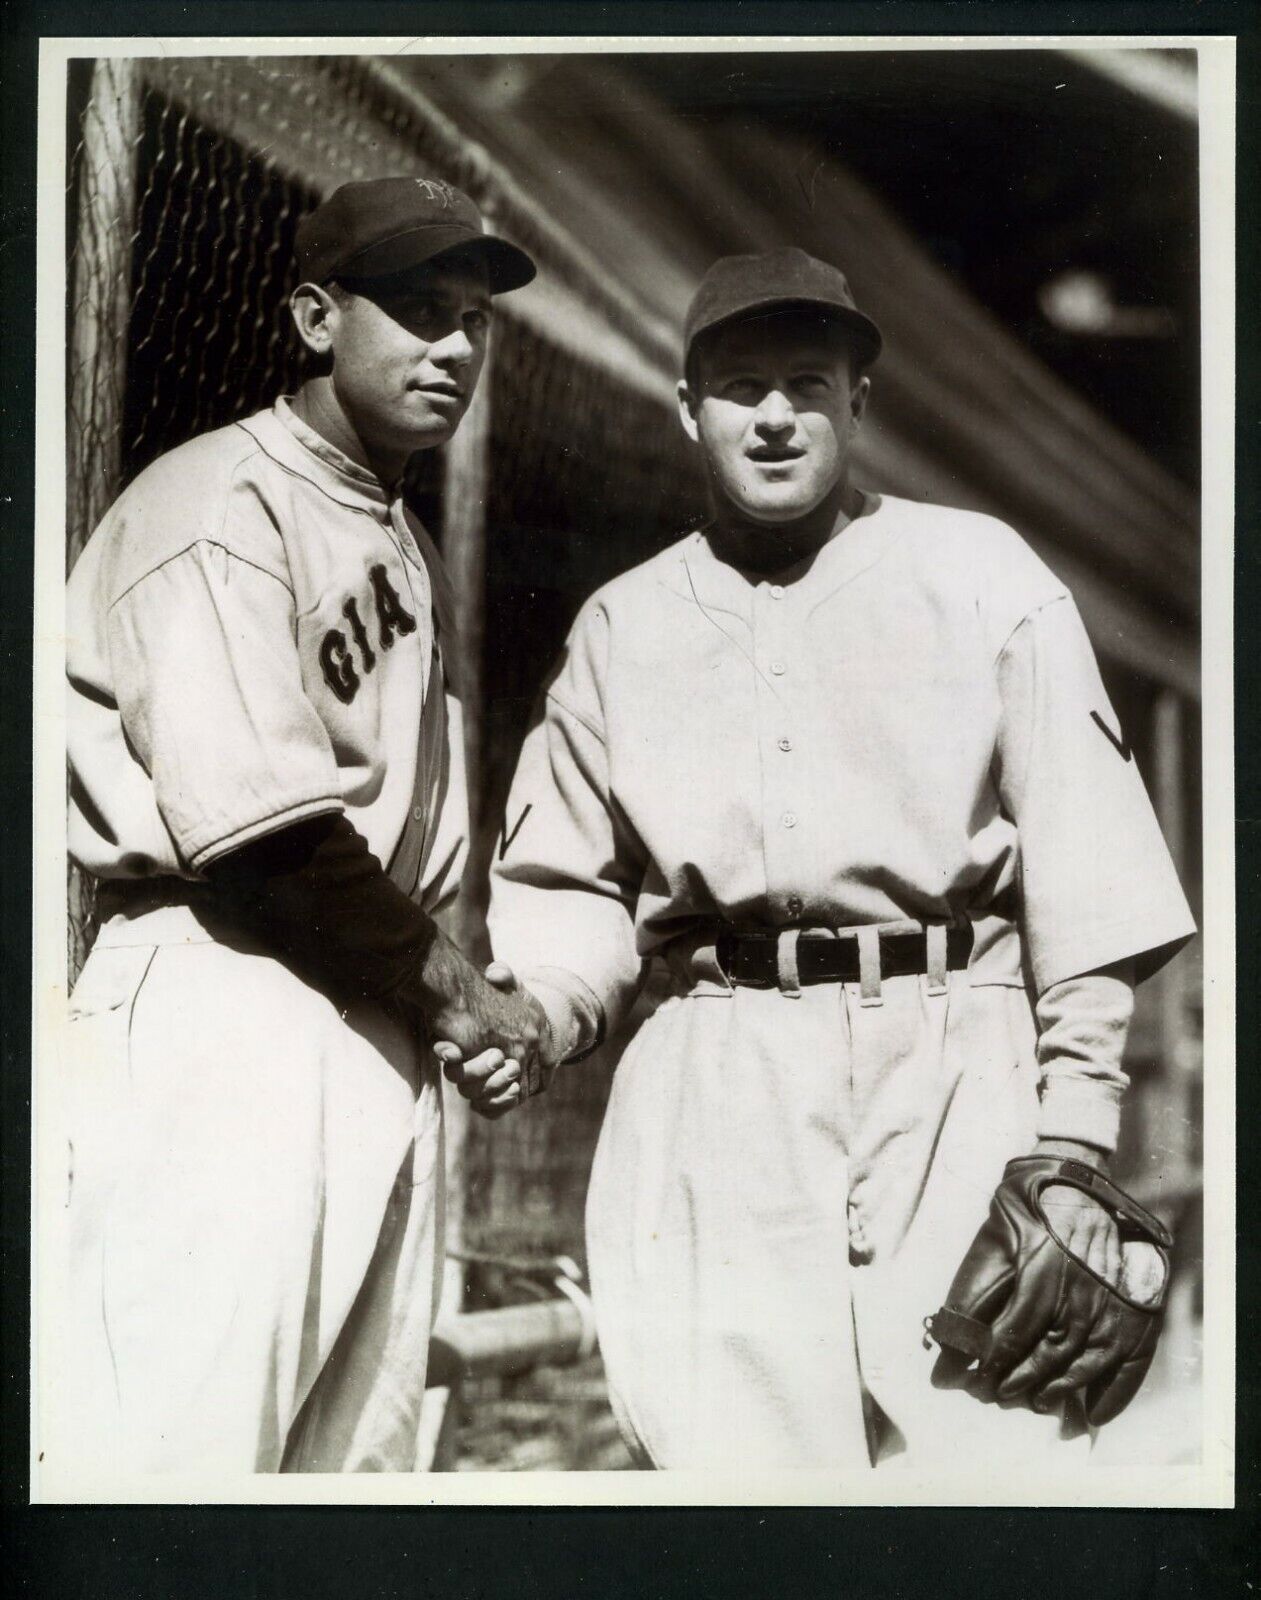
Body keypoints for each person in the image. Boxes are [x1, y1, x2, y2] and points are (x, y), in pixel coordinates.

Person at [447, 247, 1196, 1469]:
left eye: (810, 380)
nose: (778, 415)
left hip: (955, 1048)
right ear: (686, 408)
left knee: (1002, 1474)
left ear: (861, 398)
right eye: (743, 386)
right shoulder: (623, 626)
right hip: (718, 1059)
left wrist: (1071, 1133)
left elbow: (1089, 873)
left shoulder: (983, 574)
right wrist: (539, 1011)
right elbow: (567, 893)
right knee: (741, 1478)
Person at [53, 176, 549, 1476]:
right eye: (417, 311)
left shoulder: (393, 531)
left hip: (361, 1002)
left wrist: (445, 1002)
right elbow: (264, 846)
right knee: (176, 1456)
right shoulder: (221, 502)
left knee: (354, 1467)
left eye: (472, 321)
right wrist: (462, 1001)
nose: (453, 347)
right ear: (316, 317)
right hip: (229, 995)